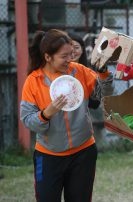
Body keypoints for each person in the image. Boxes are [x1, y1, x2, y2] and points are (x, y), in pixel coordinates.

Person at [20, 29, 114, 202]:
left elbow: (104, 93)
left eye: (71, 54)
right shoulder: (33, 81)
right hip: (48, 155)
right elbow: (27, 120)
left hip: (83, 152)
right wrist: (47, 113)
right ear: (48, 57)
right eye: (64, 56)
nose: (70, 59)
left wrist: (103, 73)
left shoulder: (79, 72)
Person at [68, 32, 101, 109]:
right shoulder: (56, 71)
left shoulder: (88, 72)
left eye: (76, 47)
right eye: (69, 47)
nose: (72, 51)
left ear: (82, 50)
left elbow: (94, 104)